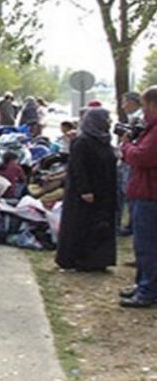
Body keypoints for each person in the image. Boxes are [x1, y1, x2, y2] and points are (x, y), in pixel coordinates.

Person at [55, 108, 117, 272]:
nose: (110, 121)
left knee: (99, 225)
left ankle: (97, 260)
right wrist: (85, 189)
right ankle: (74, 260)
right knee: (79, 225)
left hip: (103, 191)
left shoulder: (104, 140)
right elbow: (78, 168)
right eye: (106, 118)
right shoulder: (82, 141)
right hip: (83, 193)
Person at [120, 87, 157, 308]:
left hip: (150, 194)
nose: (143, 112)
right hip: (145, 191)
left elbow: (142, 157)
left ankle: (147, 290)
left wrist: (126, 146)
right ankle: (143, 283)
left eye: (145, 107)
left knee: (147, 245)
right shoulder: (150, 130)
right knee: (143, 244)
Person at [117, 92, 144, 236]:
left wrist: (126, 143)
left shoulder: (139, 118)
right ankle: (131, 224)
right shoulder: (134, 118)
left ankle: (132, 225)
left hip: (131, 160)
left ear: (133, 102)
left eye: (124, 102)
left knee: (129, 192)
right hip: (128, 158)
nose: (122, 106)